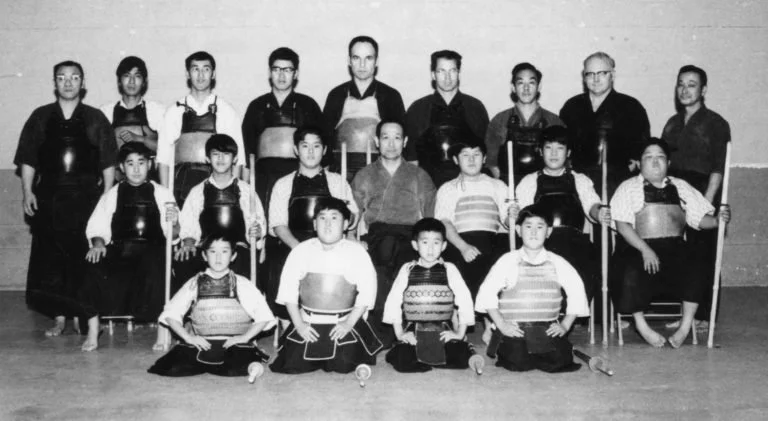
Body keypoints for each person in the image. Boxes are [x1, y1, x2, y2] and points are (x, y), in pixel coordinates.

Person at [14, 60, 117, 337]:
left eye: (74, 78)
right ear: (55, 83)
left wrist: (106, 199)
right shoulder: (41, 116)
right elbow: (28, 158)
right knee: (51, 260)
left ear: (83, 83)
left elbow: (108, 162)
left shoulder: (95, 118)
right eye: (62, 78)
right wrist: (27, 191)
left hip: (86, 198)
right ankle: (58, 317)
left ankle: (83, 314)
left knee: (82, 258)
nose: (68, 83)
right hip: (50, 196)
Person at [609, 139, 730, 348]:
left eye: (660, 158)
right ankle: (641, 325)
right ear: (639, 163)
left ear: (668, 162)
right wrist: (645, 250)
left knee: (698, 262)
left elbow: (700, 219)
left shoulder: (681, 186)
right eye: (648, 158)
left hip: (674, 248)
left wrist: (718, 220)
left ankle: (684, 326)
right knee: (627, 266)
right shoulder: (628, 188)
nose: (655, 163)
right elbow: (622, 226)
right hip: (639, 246)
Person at [78, 142, 177, 352]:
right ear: (121, 167)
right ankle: (94, 330)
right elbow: (97, 225)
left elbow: (174, 234)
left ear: (149, 164)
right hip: (121, 251)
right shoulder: (112, 194)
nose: (136, 169)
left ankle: (162, 330)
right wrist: (97, 244)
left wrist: (174, 223)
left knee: (156, 264)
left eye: (141, 163)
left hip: (153, 249)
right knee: (92, 265)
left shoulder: (163, 193)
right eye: (130, 164)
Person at [270, 197, 382, 374]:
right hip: (308, 321)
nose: (327, 224)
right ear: (314, 224)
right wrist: (299, 325)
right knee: (292, 365)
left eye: (334, 218)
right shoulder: (301, 250)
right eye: (322, 218)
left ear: (346, 224)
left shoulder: (357, 253)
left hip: (343, 322)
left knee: (343, 365)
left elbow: (368, 293)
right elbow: (288, 292)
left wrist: (348, 323)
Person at [351, 120, 436, 347]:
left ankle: (406, 327)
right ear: (377, 142)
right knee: (380, 260)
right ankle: (382, 328)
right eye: (385, 137)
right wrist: (354, 240)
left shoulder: (419, 175)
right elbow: (353, 213)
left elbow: (429, 216)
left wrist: (427, 246)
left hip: (410, 236)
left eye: (397, 137)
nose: (391, 144)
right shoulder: (365, 175)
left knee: (402, 261)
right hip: (377, 235)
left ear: (405, 142)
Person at [475, 206, 589, 373]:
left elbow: (577, 291)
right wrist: (501, 324)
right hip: (515, 329)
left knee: (560, 361)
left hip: (546, 328)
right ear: (519, 230)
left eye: (540, 227)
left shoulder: (557, 262)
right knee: (518, 362)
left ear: (549, 231)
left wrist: (565, 325)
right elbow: (487, 293)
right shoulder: (507, 260)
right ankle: (502, 344)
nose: (534, 232)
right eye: (528, 226)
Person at [661, 65, 731, 328]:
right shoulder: (672, 124)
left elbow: (718, 167)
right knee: (684, 254)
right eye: (681, 84)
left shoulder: (716, 123)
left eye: (691, 84)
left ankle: (704, 316)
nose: (684, 89)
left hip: (704, 192)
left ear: (703, 90)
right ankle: (686, 314)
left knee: (705, 253)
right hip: (676, 192)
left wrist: (706, 204)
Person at [148, 234, 275, 377]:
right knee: (171, 367)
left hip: (234, 344)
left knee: (241, 362)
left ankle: (253, 366)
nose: (218, 257)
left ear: (233, 256)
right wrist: (188, 338)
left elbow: (264, 316)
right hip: (202, 344)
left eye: (225, 251)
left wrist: (245, 338)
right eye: (213, 252)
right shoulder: (195, 283)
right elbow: (171, 313)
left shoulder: (242, 283)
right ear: (204, 255)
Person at [267, 126, 358, 320]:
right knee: (278, 263)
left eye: (316, 146)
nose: (310, 151)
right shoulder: (283, 184)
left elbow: (352, 219)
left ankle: (334, 317)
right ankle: (287, 323)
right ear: (295, 150)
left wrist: (349, 215)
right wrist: (300, 250)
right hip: (292, 243)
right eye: (305, 146)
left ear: (324, 150)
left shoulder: (337, 182)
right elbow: (278, 225)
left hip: (330, 243)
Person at [511, 126, 610, 303]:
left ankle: (572, 310)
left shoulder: (580, 180)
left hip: (575, 242)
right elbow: (522, 217)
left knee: (589, 260)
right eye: (548, 148)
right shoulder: (529, 181)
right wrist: (514, 214)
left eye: (560, 148)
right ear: (541, 152)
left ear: (568, 152)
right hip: (541, 242)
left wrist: (599, 212)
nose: (554, 153)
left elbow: (592, 205)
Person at [383, 218, 477, 372]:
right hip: (413, 330)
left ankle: (435, 356)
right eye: (425, 242)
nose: (431, 249)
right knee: (402, 359)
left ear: (444, 246)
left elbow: (464, 299)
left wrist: (459, 333)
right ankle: (407, 352)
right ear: (415, 245)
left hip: (442, 330)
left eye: (436, 243)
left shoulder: (449, 269)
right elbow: (393, 301)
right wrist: (400, 334)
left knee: (461, 357)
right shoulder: (407, 269)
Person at [174, 134, 265, 292]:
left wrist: (256, 233)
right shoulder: (198, 191)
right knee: (184, 260)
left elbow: (258, 226)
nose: (221, 159)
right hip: (206, 249)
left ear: (235, 159)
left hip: (237, 250)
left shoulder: (246, 191)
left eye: (226, 154)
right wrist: (188, 243)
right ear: (208, 159)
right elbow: (189, 226)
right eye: (216, 154)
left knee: (246, 262)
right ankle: (193, 310)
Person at [242, 47, 325, 212]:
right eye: (276, 69)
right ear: (269, 72)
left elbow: (321, 148)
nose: (281, 75)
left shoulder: (308, 105)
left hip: (299, 172)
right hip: (264, 175)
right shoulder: (256, 106)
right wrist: (246, 189)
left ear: (296, 74)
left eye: (287, 70)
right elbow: (247, 153)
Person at [157, 51, 245, 207]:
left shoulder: (227, 111)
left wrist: (233, 195)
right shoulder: (174, 111)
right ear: (187, 73)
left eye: (206, 69)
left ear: (213, 74)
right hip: (181, 186)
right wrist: (166, 199)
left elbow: (239, 160)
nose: (200, 75)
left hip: (216, 186)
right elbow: (163, 160)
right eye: (195, 69)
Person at [559, 51, 650, 197]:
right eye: (590, 74)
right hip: (577, 184)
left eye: (602, 73)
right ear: (584, 77)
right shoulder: (572, 107)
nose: (595, 79)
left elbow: (642, 151)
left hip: (618, 185)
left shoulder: (631, 107)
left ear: (612, 75)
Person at [434, 137, 511, 299]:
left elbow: (508, 222)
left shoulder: (498, 186)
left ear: (484, 159)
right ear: (455, 160)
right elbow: (444, 223)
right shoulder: (447, 189)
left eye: (476, 154)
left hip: (491, 242)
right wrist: (463, 247)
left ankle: (491, 319)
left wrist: (513, 216)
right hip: (460, 242)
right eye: (465, 155)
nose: (471, 160)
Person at [323, 35, 406, 182]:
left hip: (381, 173)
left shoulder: (391, 96)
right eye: (356, 58)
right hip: (341, 173)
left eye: (368, 58)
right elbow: (324, 140)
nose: (362, 65)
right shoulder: (336, 95)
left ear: (376, 61)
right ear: (349, 61)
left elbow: (401, 142)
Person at [405, 50, 489, 187]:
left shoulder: (475, 108)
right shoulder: (418, 109)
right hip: (428, 184)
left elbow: (485, 155)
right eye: (441, 71)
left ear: (459, 73)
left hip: (468, 184)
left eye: (452, 71)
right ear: (433, 75)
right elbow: (411, 158)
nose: (447, 77)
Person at [485, 62, 564, 183]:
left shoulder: (553, 121)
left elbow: (564, 160)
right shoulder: (500, 120)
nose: (526, 88)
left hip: (545, 186)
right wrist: (506, 186)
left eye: (531, 83)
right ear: (513, 87)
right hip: (508, 187)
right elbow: (491, 162)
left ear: (539, 86)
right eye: (520, 83)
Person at [99, 55, 164, 181]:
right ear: (119, 81)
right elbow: (98, 153)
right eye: (127, 76)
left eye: (137, 76)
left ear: (144, 81)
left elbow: (169, 151)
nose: (132, 81)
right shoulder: (105, 111)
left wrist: (140, 139)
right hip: (115, 182)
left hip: (150, 181)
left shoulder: (157, 111)